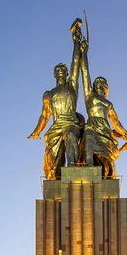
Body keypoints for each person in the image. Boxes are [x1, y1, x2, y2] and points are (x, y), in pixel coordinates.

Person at [28, 20, 84, 180]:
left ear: (67, 74)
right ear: (54, 74)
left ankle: (73, 168)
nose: (60, 70)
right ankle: (56, 177)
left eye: (63, 69)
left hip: (71, 124)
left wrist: (76, 42)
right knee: (52, 163)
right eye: (57, 69)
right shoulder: (48, 94)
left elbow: (75, 63)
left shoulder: (71, 86)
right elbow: (45, 116)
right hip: (55, 127)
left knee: (72, 137)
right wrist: (37, 131)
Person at [79, 39, 127, 178]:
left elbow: (116, 123)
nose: (98, 83)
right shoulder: (89, 96)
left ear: (105, 89)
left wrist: (126, 134)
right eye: (97, 82)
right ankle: (89, 169)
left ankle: (103, 173)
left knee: (105, 158)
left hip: (105, 130)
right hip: (92, 125)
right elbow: (85, 73)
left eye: (101, 83)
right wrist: (83, 53)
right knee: (88, 140)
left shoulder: (108, 104)